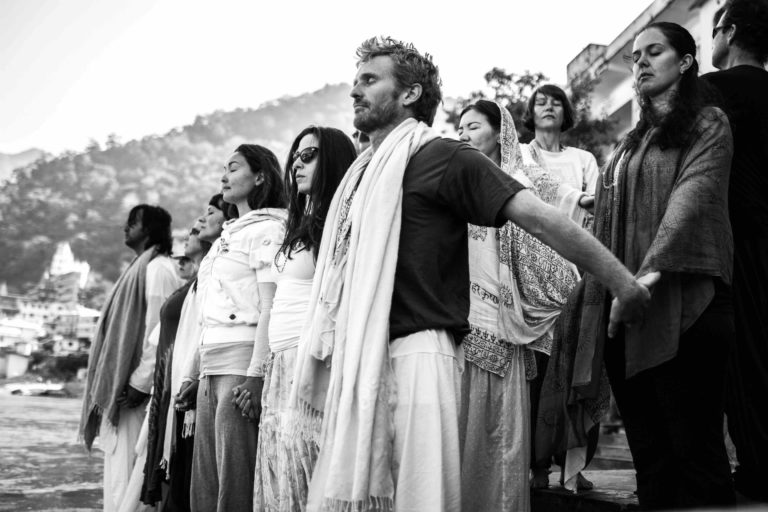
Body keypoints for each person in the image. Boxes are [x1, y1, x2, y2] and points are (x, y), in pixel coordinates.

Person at [290, 36, 651, 512]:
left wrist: (625, 283)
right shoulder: (362, 176)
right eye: (356, 81)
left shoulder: (441, 156)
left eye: (369, 80)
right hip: (360, 359)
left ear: (411, 94)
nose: (355, 91)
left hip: (417, 357)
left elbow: (543, 219)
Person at [553, 22, 734, 510]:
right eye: (635, 57)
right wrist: (599, 296)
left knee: (696, 459)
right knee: (650, 464)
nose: (641, 63)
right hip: (624, 315)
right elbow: (604, 226)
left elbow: (691, 200)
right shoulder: (628, 145)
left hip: (688, 311)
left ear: (686, 60)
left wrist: (646, 277)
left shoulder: (709, 124)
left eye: (654, 52)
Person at [457, 100, 579, 510]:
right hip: (461, 320)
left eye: (473, 126)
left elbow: (555, 213)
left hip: (503, 319)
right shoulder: (455, 187)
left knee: (500, 429)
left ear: (500, 133)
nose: (464, 135)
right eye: (460, 128)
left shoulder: (517, 180)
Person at [249, 127, 357, 511]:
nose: (297, 162)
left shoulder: (341, 226)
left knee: (306, 479)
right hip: (281, 364)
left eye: (309, 155)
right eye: (296, 154)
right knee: (279, 480)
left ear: (332, 161)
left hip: (311, 361)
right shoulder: (300, 226)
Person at [190, 145, 286, 512]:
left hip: (239, 365)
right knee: (204, 482)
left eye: (233, 168)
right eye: (224, 169)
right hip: (210, 365)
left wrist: (256, 374)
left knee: (235, 481)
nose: (223, 176)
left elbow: (269, 305)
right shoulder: (228, 234)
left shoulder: (268, 229)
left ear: (260, 176)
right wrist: (194, 372)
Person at [702, 0, 768, 501]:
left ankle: (757, 468)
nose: (710, 40)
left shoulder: (712, 91)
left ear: (733, 30)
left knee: (743, 358)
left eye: (714, 28)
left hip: (737, 240)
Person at [79, 204, 182, 512]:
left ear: (148, 230)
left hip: (136, 390)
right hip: (124, 385)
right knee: (116, 473)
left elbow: (161, 330)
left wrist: (140, 382)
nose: (125, 228)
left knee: (127, 474)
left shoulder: (159, 269)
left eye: (132, 223)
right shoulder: (142, 267)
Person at [141, 194, 226, 510]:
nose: (200, 223)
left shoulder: (213, 272)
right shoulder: (196, 280)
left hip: (195, 381)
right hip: (174, 383)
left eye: (209, 214)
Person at [521, 84, 599, 230]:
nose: (549, 107)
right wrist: (580, 200)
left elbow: (596, 208)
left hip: (577, 245)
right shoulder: (522, 153)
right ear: (531, 113)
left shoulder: (584, 158)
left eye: (556, 104)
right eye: (541, 103)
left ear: (565, 115)